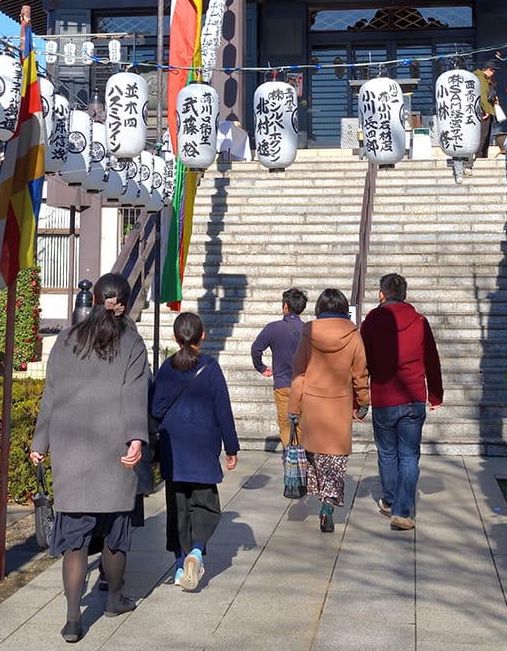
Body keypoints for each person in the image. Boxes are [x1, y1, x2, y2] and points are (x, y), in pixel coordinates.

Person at [30, 272, 150, 644]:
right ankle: (113, 599)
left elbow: (50, 395)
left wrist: (41, 441)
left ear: (95, 298)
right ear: (125, 302)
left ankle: (71, 619)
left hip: (70, 448)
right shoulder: (131, 340)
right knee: (116, 533)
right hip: (113, 448)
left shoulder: (66, 339)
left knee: (75, 541)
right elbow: (134, 393)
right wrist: (136, 439)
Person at [150, 311, 238, 592]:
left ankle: (179, 567)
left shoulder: (167, 368)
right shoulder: (210, 367)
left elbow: (155, 409)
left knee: (177, 508)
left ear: (175, 338)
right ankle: (196, 553)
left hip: (173, 449)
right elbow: (223, 410)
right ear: (202, 335)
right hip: (203, 448)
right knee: (205, 506)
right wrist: (231, 447)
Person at [359, 272, 443, 531]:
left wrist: (358, 398)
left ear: (381, 294)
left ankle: (391, 501)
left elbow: (362, 362)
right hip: (412, 397)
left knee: (387, 452)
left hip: (384, 396)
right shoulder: (419, 321)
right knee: (408, 454)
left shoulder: (371, 322)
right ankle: (402, 511)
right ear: (405, 295)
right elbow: (431, 358)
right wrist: (435, 393)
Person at [288, 287, 370, 533]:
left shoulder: (309, 333)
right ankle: (328, 505)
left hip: (313, 406)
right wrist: (364, 401)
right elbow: (360, 373)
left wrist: (293, 407)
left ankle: (322, 497)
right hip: (339, 405)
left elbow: (299, 372)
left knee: (317, 457)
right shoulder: (353, 335)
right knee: (335, 460)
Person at [249, 287, 308, 447]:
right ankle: (301, 456)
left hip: (282, 385)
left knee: (286, 424)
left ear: (285, 306)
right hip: (304, 385)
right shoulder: (309, 330)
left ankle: (292, 454)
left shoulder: (273, 328)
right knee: (302, 424)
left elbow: (256, 349)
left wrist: (261, 367)